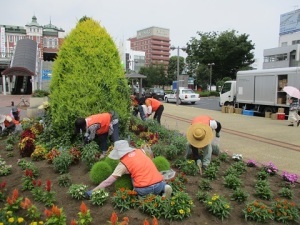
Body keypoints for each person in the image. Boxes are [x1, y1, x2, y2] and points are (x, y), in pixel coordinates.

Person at [85, 140, 172, 198]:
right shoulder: (140, 151)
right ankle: (164, 188)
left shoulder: (123, 164)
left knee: (133, 177)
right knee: (147, 171)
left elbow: (108, 181)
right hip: (159, 183)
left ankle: (142, 198)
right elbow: (150, 157)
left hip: (144, 189)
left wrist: (92, 191)